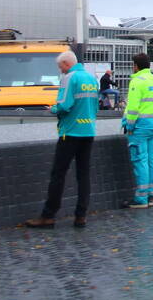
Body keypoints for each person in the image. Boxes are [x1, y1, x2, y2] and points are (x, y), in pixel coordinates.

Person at [25, 51, 99, 229]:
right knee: (83, 175)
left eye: (61, 67)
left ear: (66, 64)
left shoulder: (69, 78)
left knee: (58, 174)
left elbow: (65, 105)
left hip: (70, 132)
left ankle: (48, 215)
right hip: (88, 131)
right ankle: (81, 216)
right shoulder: (91, 78)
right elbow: (95, 106)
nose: (61, 71)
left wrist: (52, 109)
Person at [121, 53, 153, 209]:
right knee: (152, 160)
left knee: (140, 161)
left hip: (139, 127)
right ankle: (151, 195)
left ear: (136, 66)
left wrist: (129, 126)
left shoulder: (137, 81)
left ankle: (141, 199)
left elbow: (132, 108)